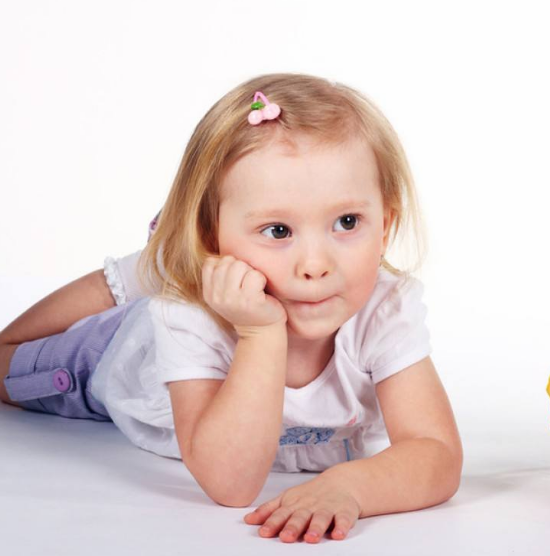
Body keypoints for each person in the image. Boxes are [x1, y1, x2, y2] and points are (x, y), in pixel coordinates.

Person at [0, 73, 462, 544]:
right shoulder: (186, 314)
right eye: (278, 231)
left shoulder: (384, 309)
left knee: (165, 270)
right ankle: (146, 270)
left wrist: (348, 486)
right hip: (112, 357)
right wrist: (260, 333)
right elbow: (232, 485)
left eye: (347, 222)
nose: (317, 265)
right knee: (14, 365)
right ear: (211, 239)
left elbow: (436, 451)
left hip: (211, 286)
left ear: (386, 224)